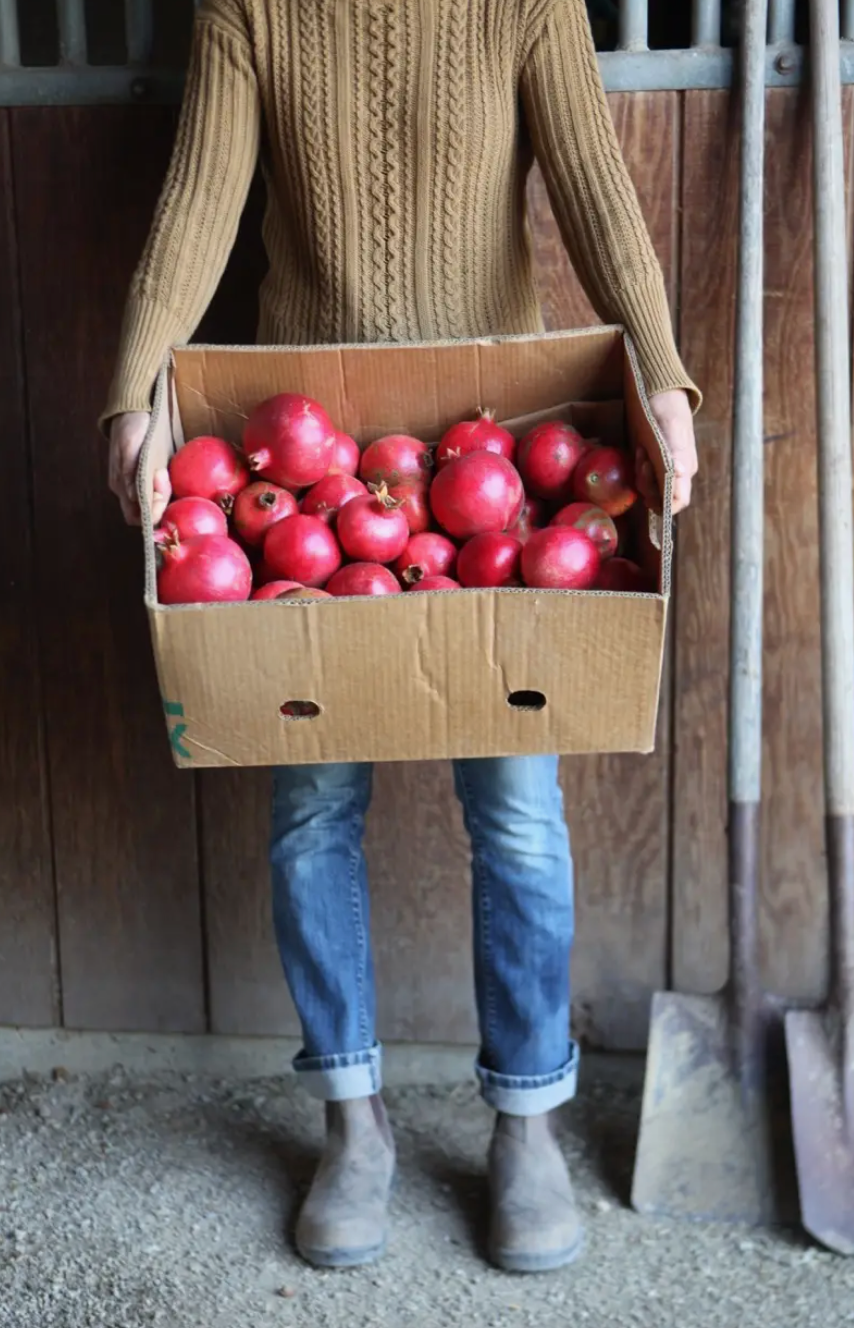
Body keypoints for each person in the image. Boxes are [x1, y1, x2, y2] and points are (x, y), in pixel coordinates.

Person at [104, 0, 700, 1275]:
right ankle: (350, 1118)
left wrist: (657, 376)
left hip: (490, 441)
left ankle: (527, 1120)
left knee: (518, 813)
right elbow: (195, 209)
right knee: (313, 809)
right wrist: (133, 387)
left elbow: (596, 197)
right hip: (305, 462)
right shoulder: (249, 9)